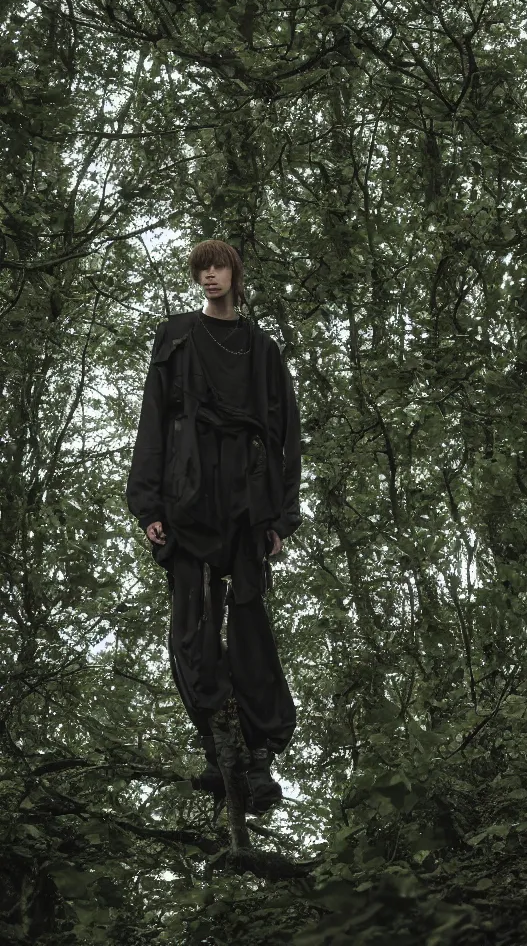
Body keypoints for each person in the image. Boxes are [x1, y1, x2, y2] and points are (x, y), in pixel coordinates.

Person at [126, 240, 301, 813]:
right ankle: (214, 743)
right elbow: (154, 416)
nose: (209, 276)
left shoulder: (262, 349)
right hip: (189, 492)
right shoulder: (176, 336)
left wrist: (281, 515)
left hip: (246, 499)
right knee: (189, 628)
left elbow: (286, 435)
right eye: (200, 269)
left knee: (250, 625)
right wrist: (149, 505)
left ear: (235, 273)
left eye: (218, 266)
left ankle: (259, 759)